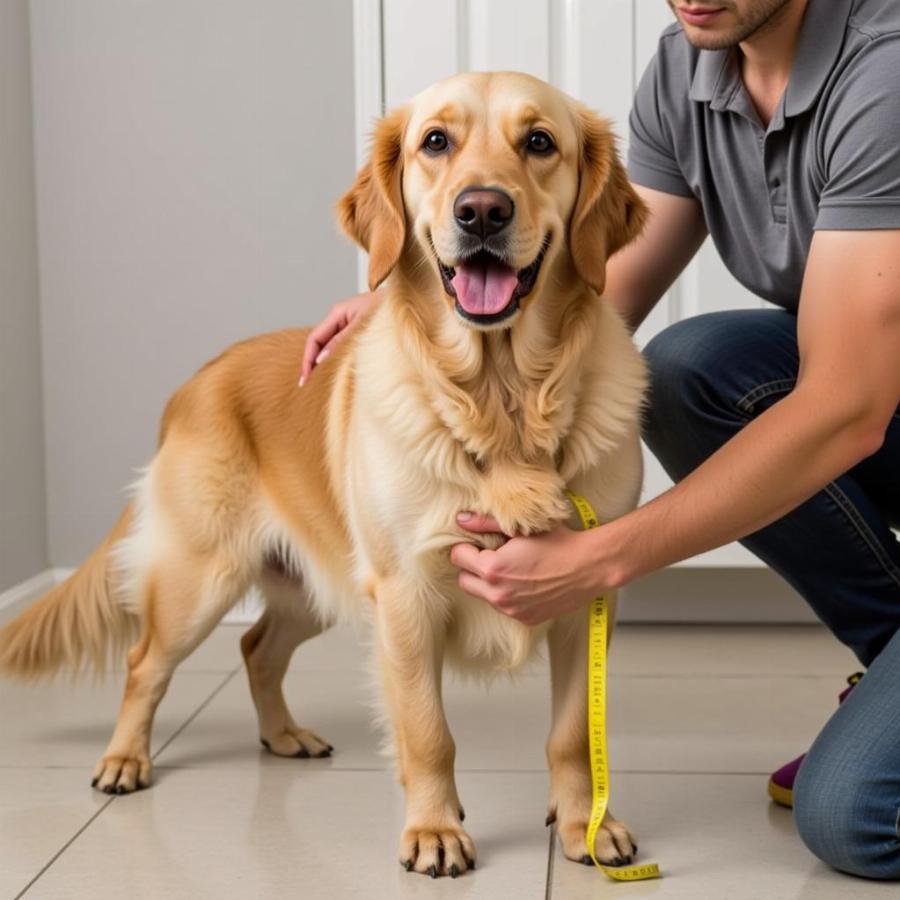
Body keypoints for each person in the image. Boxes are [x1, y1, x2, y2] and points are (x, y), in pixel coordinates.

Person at [301, 0, 900, 879]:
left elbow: (848, 405)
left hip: (873, 399)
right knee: (695, 369)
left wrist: (604, 556)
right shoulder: (695, 60)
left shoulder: (885, 69)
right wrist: (414, 304)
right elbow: (592, 282)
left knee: (854, 819)